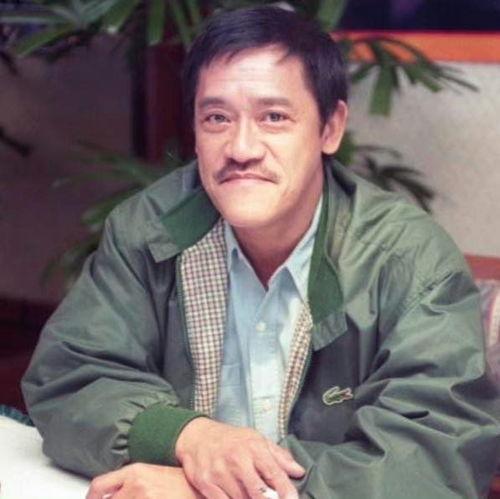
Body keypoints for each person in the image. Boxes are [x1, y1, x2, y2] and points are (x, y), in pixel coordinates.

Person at [22, 6, 499, 499]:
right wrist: (190, 437)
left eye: (274, 117)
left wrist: (219, 492)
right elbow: (69, 379)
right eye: (217, 118)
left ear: (330, 128)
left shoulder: (410, 260)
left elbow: (432, 459)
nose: (241, 148)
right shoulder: (148, 230)